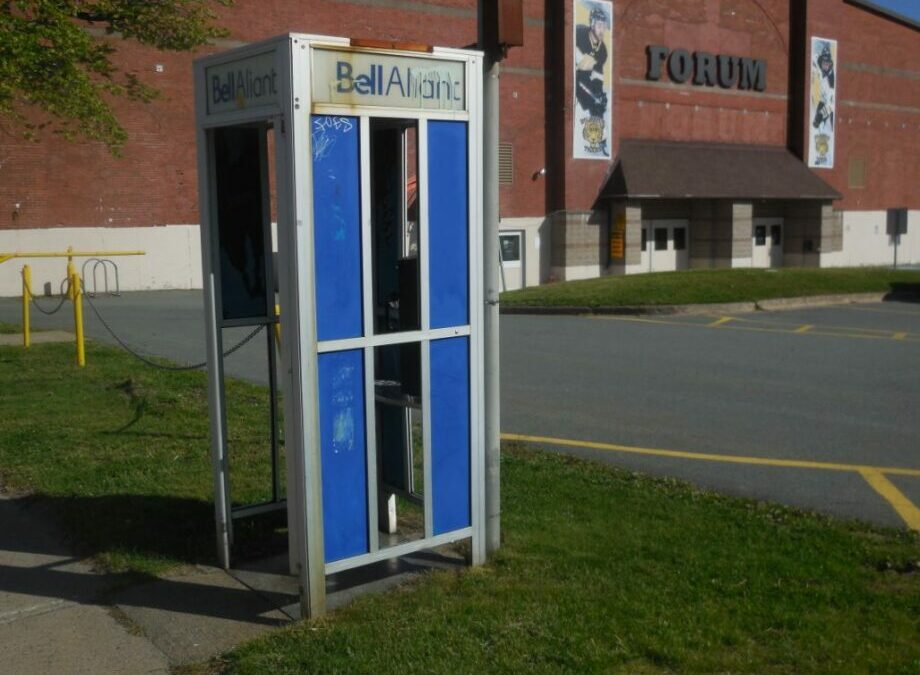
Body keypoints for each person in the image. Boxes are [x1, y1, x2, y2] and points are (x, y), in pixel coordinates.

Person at [575, 6, 609, 119]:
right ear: (592, 24)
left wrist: (599, 94)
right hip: (569, 71)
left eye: (604, 26)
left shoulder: (602, 50)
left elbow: (597, 73)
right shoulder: (578, 33)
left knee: (597, 102)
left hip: (582, 75)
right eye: (599, 25)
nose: (602, 30)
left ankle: (598, 128)